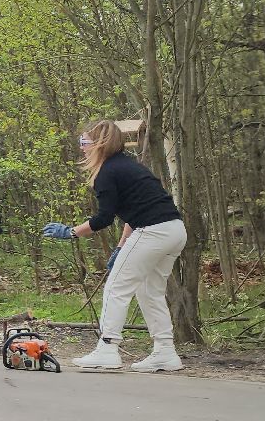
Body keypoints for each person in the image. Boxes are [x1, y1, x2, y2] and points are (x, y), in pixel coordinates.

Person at [43, 119, 187, 371]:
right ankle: (165, 351)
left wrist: (71, 232)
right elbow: (133, 212)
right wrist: (121, 247)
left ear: (99, 144)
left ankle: (107, 348)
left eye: (84, 142)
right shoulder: (130, 166)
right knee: (149, 292)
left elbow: (104, 218)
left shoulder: (107, 172)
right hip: (174, 230)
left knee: (115, 289)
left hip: (152, 232)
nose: (81, 148)